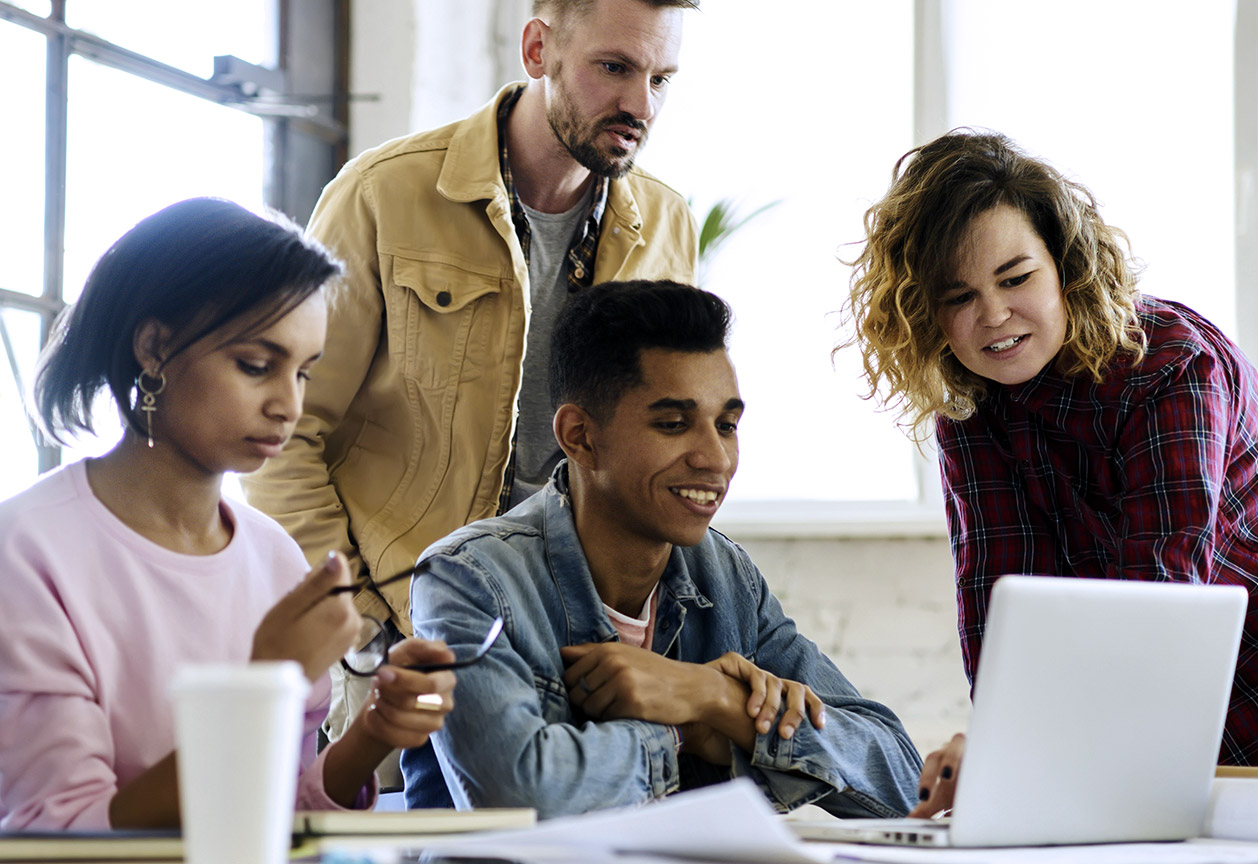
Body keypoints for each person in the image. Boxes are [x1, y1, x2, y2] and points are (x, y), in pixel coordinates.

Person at [841, 131, 1258, 816]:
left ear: (1064, 267)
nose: (993, 316)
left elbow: (1159, 602)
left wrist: (1017, 756)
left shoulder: (1172, 368)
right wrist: (1002, 751)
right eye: (959, 297)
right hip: (1138, 721)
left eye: (1016, 279)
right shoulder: (972, 412)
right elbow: (1001, 616)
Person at [241, 0, 700, 738]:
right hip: (400, 648)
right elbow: (285, 432)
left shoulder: (667, 222)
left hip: (576, 651)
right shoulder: (382, 196)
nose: (638, 104)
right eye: (613, 68)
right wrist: (362, 625)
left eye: (661, 78)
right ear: (537, 48)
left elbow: (665, 443)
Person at [0, 198, 458, 830]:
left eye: (303, 373)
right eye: (256, 366)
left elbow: (273, 804)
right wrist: (269, 680)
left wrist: (376, 732)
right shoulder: (26, 552)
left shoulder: (271, 554)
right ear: (155, 348)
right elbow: (63, 837)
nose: (288, 405)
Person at [402, 280, 923, 817]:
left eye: (726, 425)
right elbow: (518, 798)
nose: (715, 459)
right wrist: (682, 730)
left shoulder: (726, 577)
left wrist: (710, 698)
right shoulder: (468, 579)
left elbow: (907, 785)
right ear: (580, 436)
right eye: (673, 424)